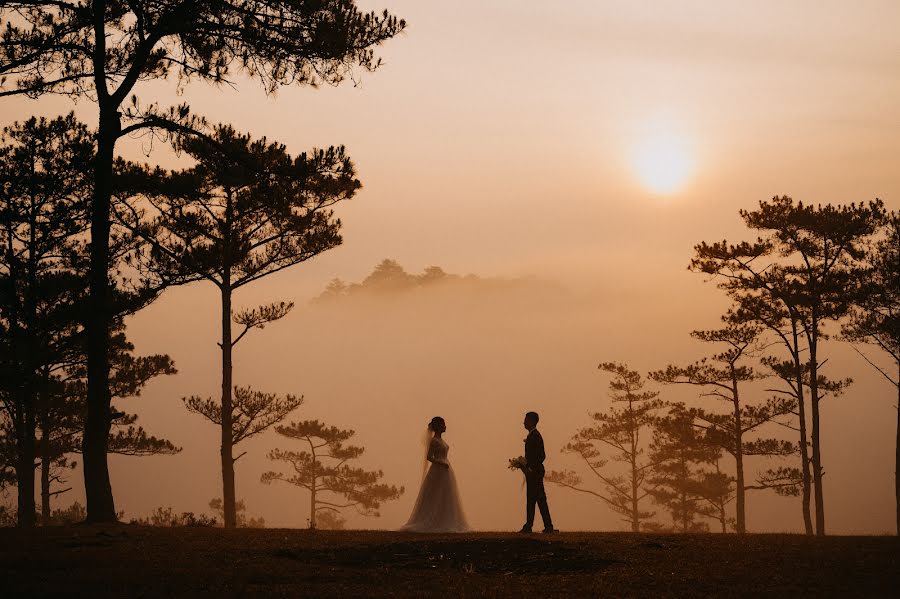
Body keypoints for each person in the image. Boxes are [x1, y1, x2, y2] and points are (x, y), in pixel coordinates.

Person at [400, 416, 469, 532]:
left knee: (446, 496)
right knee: (436, 495)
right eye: (443, 424)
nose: (445, 426)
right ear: (438, 427)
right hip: (438, 470)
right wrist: (441, 462)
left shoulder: (440, 441)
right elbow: (429, 457)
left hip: (445, 471)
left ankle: (446, 518)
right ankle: (434, 519)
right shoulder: (434, 441)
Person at [520, 411, 555, 533]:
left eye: (526, 420)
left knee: (532, 499)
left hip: (534, 473)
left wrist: (530, 467)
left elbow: (541, 456)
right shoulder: (533, 435)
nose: (523, 422)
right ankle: (548, 526)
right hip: (535, 472)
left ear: (531, 421)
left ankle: (529, 526)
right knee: (540, 499)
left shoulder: (534, 436)